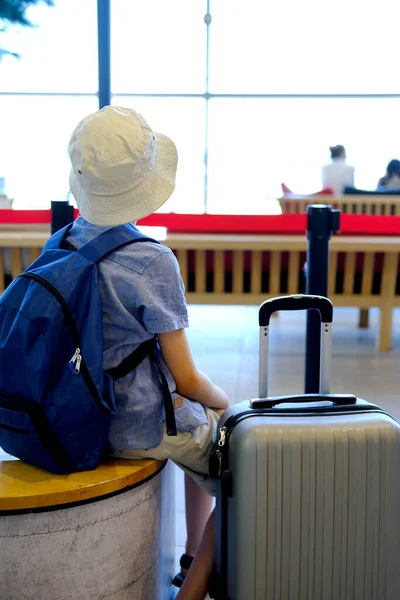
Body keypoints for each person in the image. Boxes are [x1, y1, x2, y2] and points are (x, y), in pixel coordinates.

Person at [66, 105, 229, 587]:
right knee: (242, 468)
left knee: (192, 425)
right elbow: (187, 378)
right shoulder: (151, 261)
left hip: (79, 414)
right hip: (136, 422)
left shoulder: (64, 242)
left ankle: (191, 553)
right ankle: (196, 587)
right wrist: (229, 406)